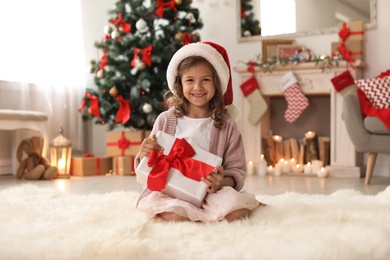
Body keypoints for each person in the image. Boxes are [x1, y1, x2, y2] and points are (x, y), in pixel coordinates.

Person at [134, 41, 262, 223]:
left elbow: (237, 171)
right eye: (190, 80)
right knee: (174, 213)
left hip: (211, 194)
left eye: (206, 80)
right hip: (171, 191)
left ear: (216, 83)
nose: (198, 87)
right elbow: (146, 164)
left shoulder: (227, 125)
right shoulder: (165, 120)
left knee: (236, 211)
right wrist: (144, 153)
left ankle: (204, 214)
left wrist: (221, 182)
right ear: (179, 84)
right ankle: (190, 217)